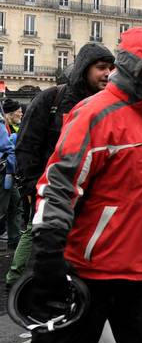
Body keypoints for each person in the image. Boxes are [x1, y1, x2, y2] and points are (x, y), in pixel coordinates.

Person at [0, 28, 142, 343]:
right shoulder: (95, 113)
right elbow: (59, 185)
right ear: (137, 64)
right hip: (91, 273)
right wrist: (49, 253)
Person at [8, 43, 115, 288]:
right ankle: (19, 287)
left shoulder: (108, 105)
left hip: (88, 200)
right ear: (84, 69)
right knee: (37, 240)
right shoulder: (50, 98)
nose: (107, 73)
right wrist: (32, 188)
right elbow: (26, 145)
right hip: (49, 193)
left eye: (111, 67)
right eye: (101, 67)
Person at [0, 110, 18, 254]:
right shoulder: (1, 124)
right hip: (4, 172)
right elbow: (7, 148)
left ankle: (14, 239)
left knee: (15, 204)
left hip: (6, 173)